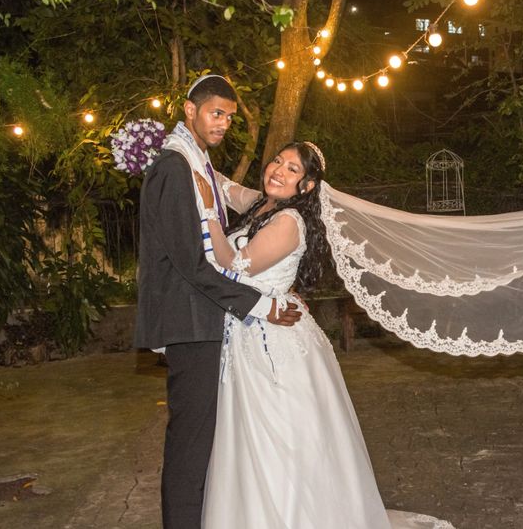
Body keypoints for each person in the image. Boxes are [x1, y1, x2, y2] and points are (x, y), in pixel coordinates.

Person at [192, 142, 453, 528]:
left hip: (274, 346)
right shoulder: (260, 206)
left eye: (292, 169)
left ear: (308, 185)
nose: (278, 170)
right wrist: (188, 157)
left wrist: (207, 211)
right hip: (244, 337)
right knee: (246, 442)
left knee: (282, 438)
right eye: (277, 160)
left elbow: (236, 265)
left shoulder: (289, 221)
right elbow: (225, 185)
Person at [133, 75, 302, 529]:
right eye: (216, 113)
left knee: (206, 438)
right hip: (190, 321)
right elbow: (191, 263)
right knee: (191, 441)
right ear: (190, 111)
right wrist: (261, 305)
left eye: (229, 115)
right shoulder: (173, 167)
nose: (224, 123)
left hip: (206, 318)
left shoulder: (197, 164)